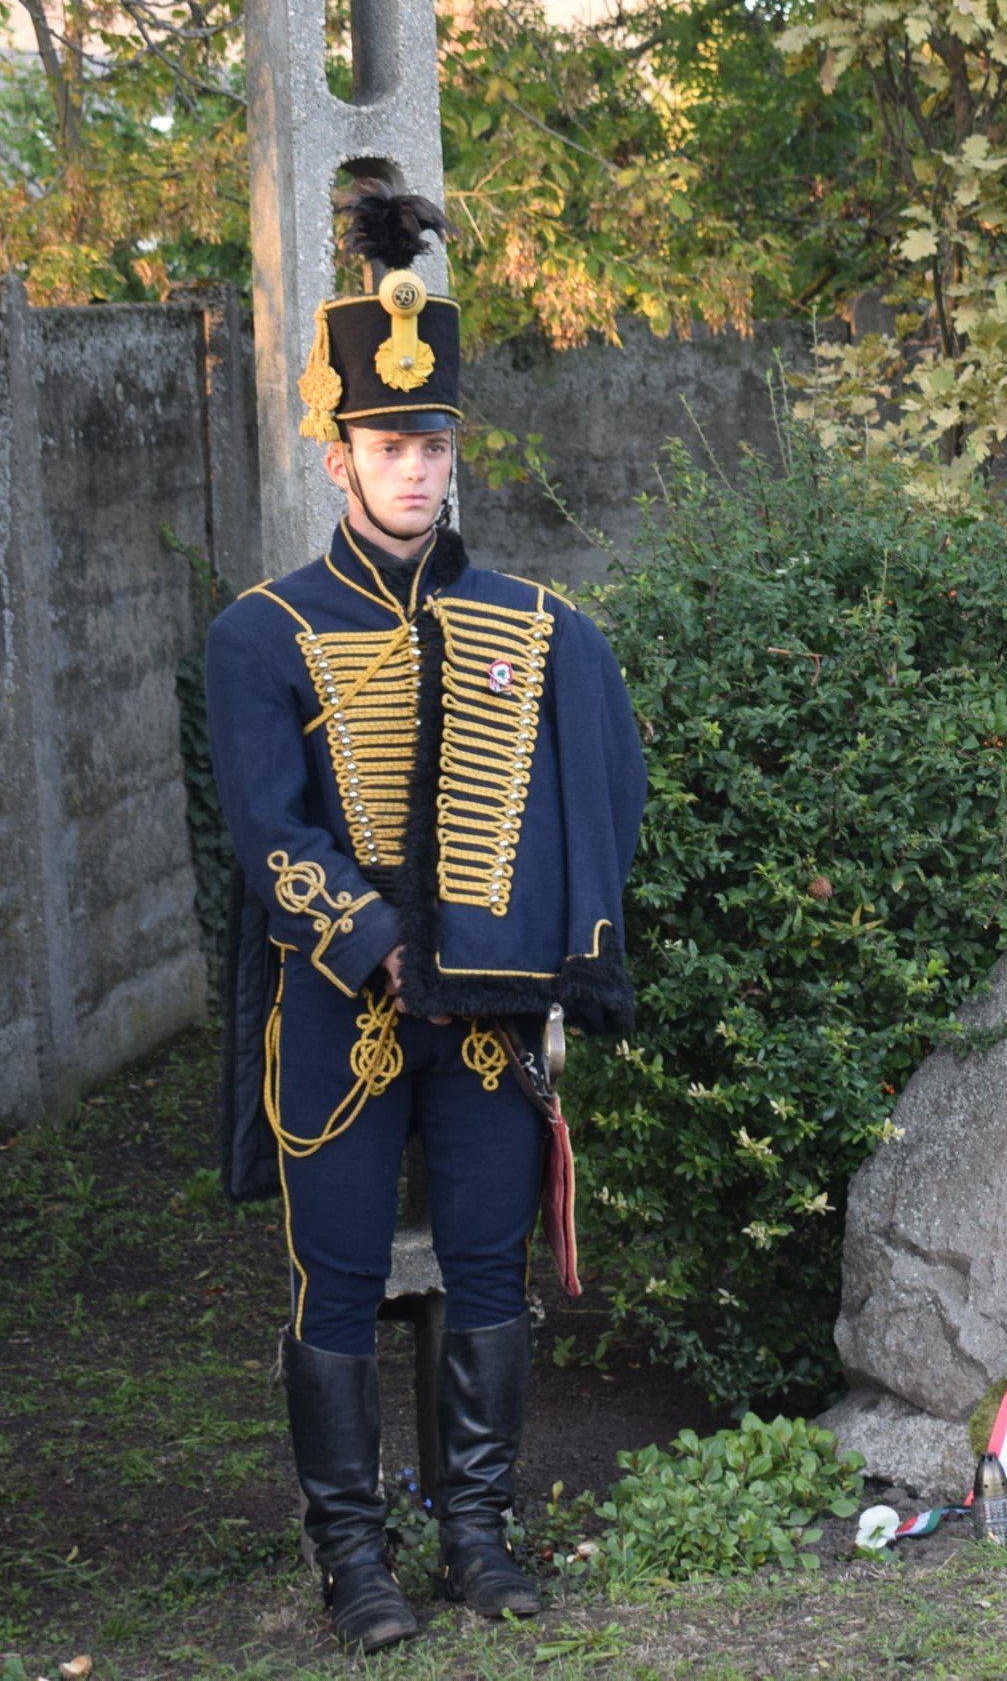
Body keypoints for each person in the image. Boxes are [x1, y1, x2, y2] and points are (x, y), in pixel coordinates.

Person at [205, 184, 647, 1653]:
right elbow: (271, 841)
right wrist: (387, 945)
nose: (415, 467)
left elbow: (594, 795)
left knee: (484, 1269)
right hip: (340, 1009)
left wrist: (556, 950)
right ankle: (353, 1559)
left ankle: (474, 1532)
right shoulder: (260, 631)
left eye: (435, 443)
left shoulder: (533, 624)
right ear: (341, 456)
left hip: (490, 1018)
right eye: (391, 443)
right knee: (332, 1278)